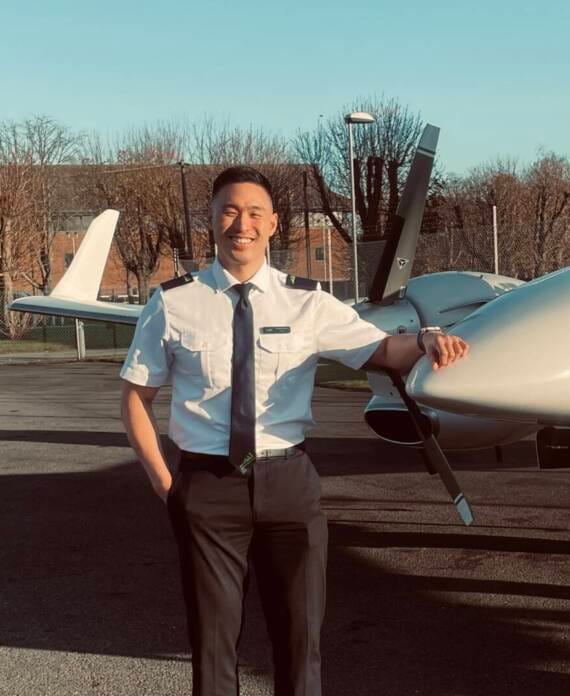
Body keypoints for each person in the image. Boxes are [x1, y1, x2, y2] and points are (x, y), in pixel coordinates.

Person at [120, 166, 469, 696]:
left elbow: (380, 349)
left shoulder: (307, 302)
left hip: (288, 484)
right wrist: (166, 486)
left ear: (273, 223)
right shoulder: (172, 303)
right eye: (230, 211)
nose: (242, 224)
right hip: (208, 487)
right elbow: (135, 397)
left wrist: (425, 338)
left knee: (300, 643)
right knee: (212, 646)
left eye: (254, 213)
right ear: (211, 219)